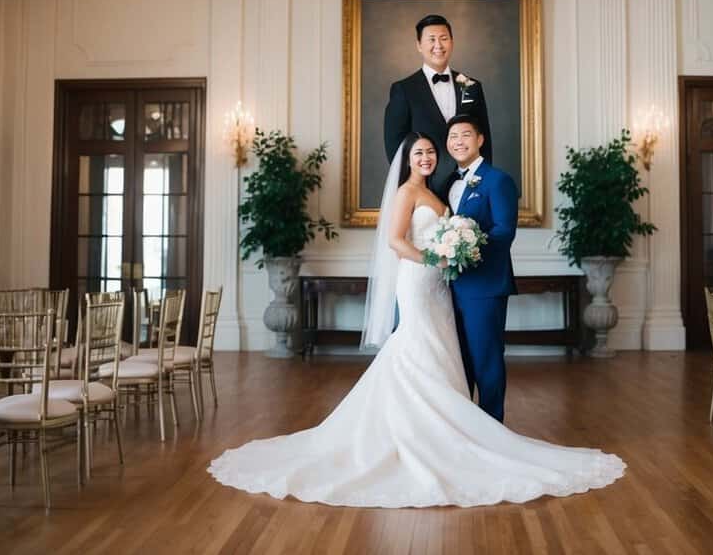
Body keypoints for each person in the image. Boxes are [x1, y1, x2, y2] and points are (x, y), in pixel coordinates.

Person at [208, 132, 625, 508]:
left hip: (444, 284)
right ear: (407, 159)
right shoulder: (408, 192)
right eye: (419, 152)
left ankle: (467, 433)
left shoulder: (448, 188)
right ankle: (421, 434)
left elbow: (487, 231)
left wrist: (451, 253)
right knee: (418, 347)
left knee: (450, 353)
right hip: (421, 278)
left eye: (430, 151)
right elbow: (394, 240)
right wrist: (435, 256)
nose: (426, 157)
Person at [441, 114, 516, 422]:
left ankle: (493, 427)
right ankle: (466, 428)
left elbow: (503, 231)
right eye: (453, 136)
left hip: (484, 286)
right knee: (459, 363)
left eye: (465, 135)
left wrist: (467, 249)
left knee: (486, 360)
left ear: (480, 139)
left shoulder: (498, 180)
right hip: (449, 287)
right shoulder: (447, 181)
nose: (459, 141)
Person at [383, 14, 492, 190]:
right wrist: (413, 185)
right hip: (425, 186)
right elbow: (395, 147)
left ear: (452, 42)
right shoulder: (403, 89)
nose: (438, 46)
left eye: (444, 39)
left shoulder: (472, 86)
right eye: (431, 39)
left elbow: (483, 138)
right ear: (419, 45)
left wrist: (482, 183)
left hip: (467, 184)